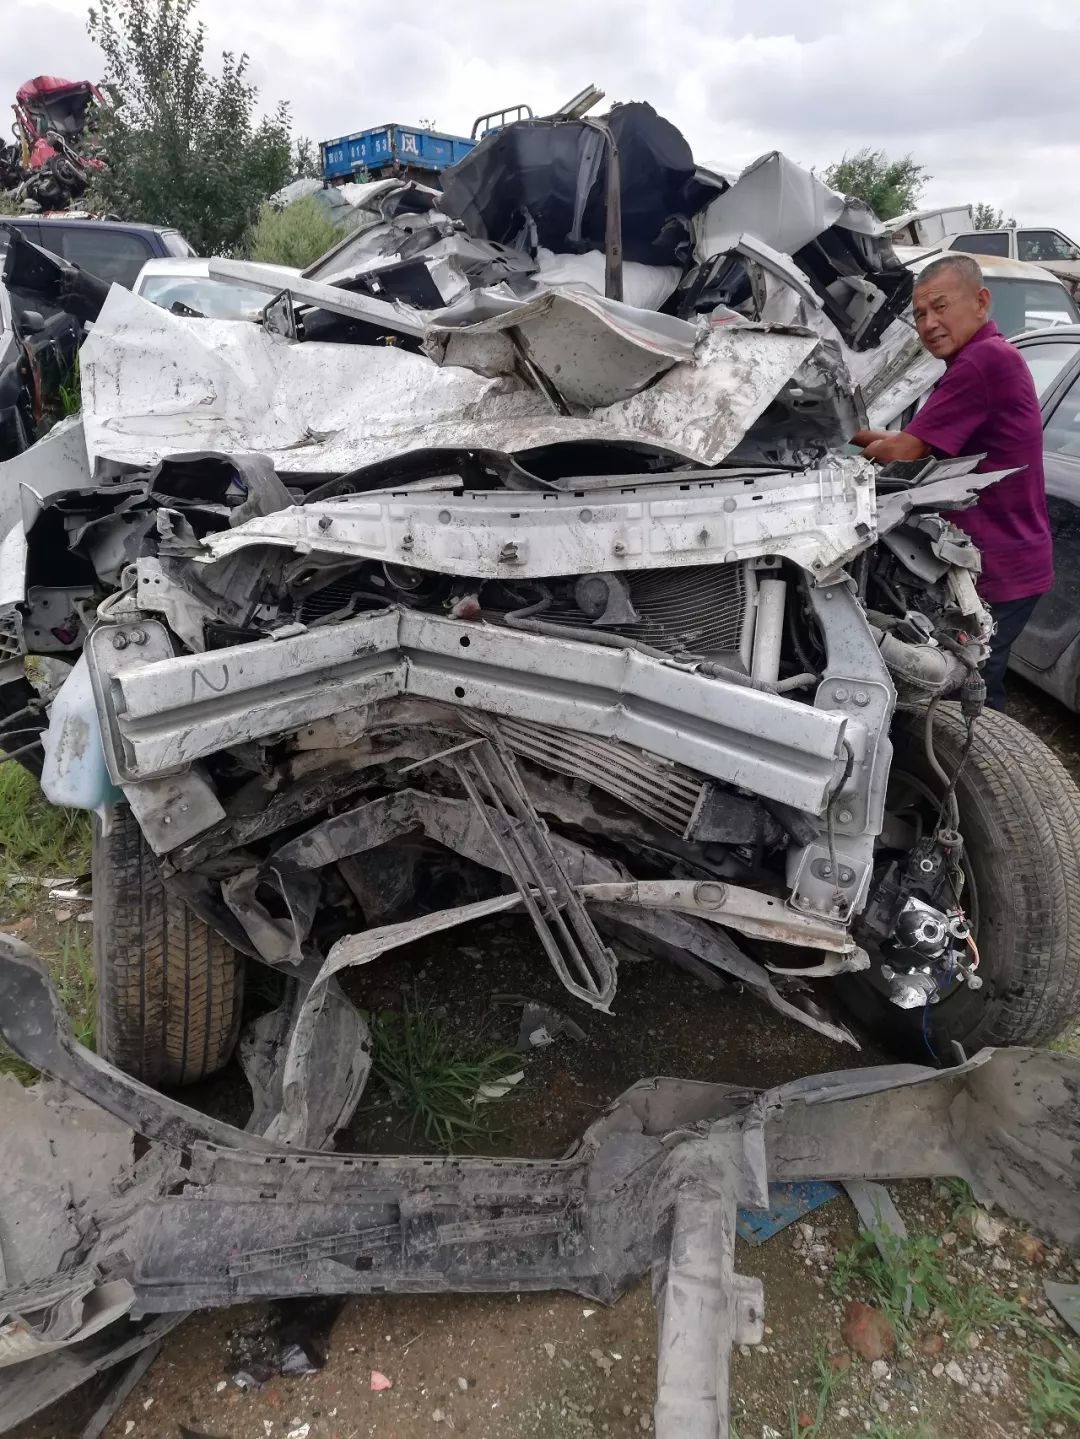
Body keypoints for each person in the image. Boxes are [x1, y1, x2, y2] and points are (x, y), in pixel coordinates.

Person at [851, 253, 1052, 710]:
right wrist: (844, 433)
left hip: (999, 564)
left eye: (940, 306)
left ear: (981, 302)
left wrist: (848, 452)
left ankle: (978, 777)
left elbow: (905, 451)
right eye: (920, 314)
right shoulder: (983, 359)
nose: (928, 324)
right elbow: (910, 439)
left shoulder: (982, 363)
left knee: (967, 692)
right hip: (1007, 558)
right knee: (975, 681)